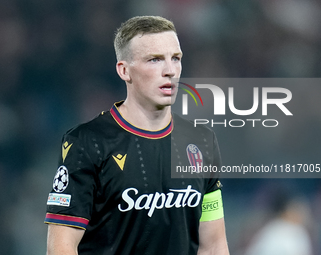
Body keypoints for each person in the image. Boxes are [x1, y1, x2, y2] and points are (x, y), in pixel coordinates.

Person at [44, 16, 229, 255]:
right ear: (124, 70)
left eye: (176, 58)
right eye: (155, 60)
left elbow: (213, 246)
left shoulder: (202, 141)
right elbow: (61, 246)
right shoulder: (88, 142)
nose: (170, 71)